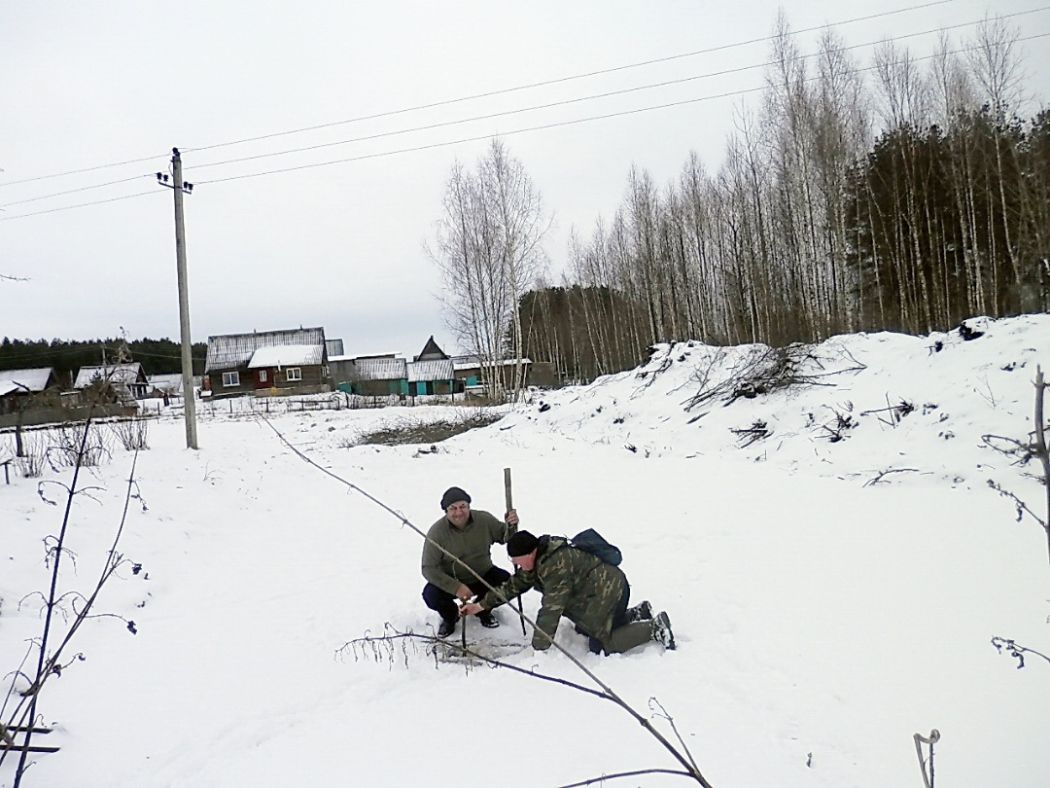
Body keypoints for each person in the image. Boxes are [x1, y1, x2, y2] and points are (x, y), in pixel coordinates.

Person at [460, 530, 675, 654]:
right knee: (584, 629)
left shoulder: (555, 566)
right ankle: (635, 614)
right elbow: (513, 586)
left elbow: (551, 610)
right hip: (601, 591)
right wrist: (480, 606)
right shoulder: (538, 560)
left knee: (601, 646)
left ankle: (654, 627)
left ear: (530, 552)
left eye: (516, 560)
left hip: (609, 591)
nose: (515, 565)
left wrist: (539, 650)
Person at [421, 486, 519, 638]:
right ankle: (451, 616)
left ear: (469, 506)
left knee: (508, 584)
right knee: (430, 595)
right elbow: (428, 568)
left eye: (463, 507)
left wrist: (511, 525)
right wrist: (456, 587)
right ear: (446, 510)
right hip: (453, 581)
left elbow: (505, 536)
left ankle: (482, 609)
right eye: (453, 508)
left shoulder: (484, 520)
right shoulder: (436, 533)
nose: (459, 512)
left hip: (482, 575)